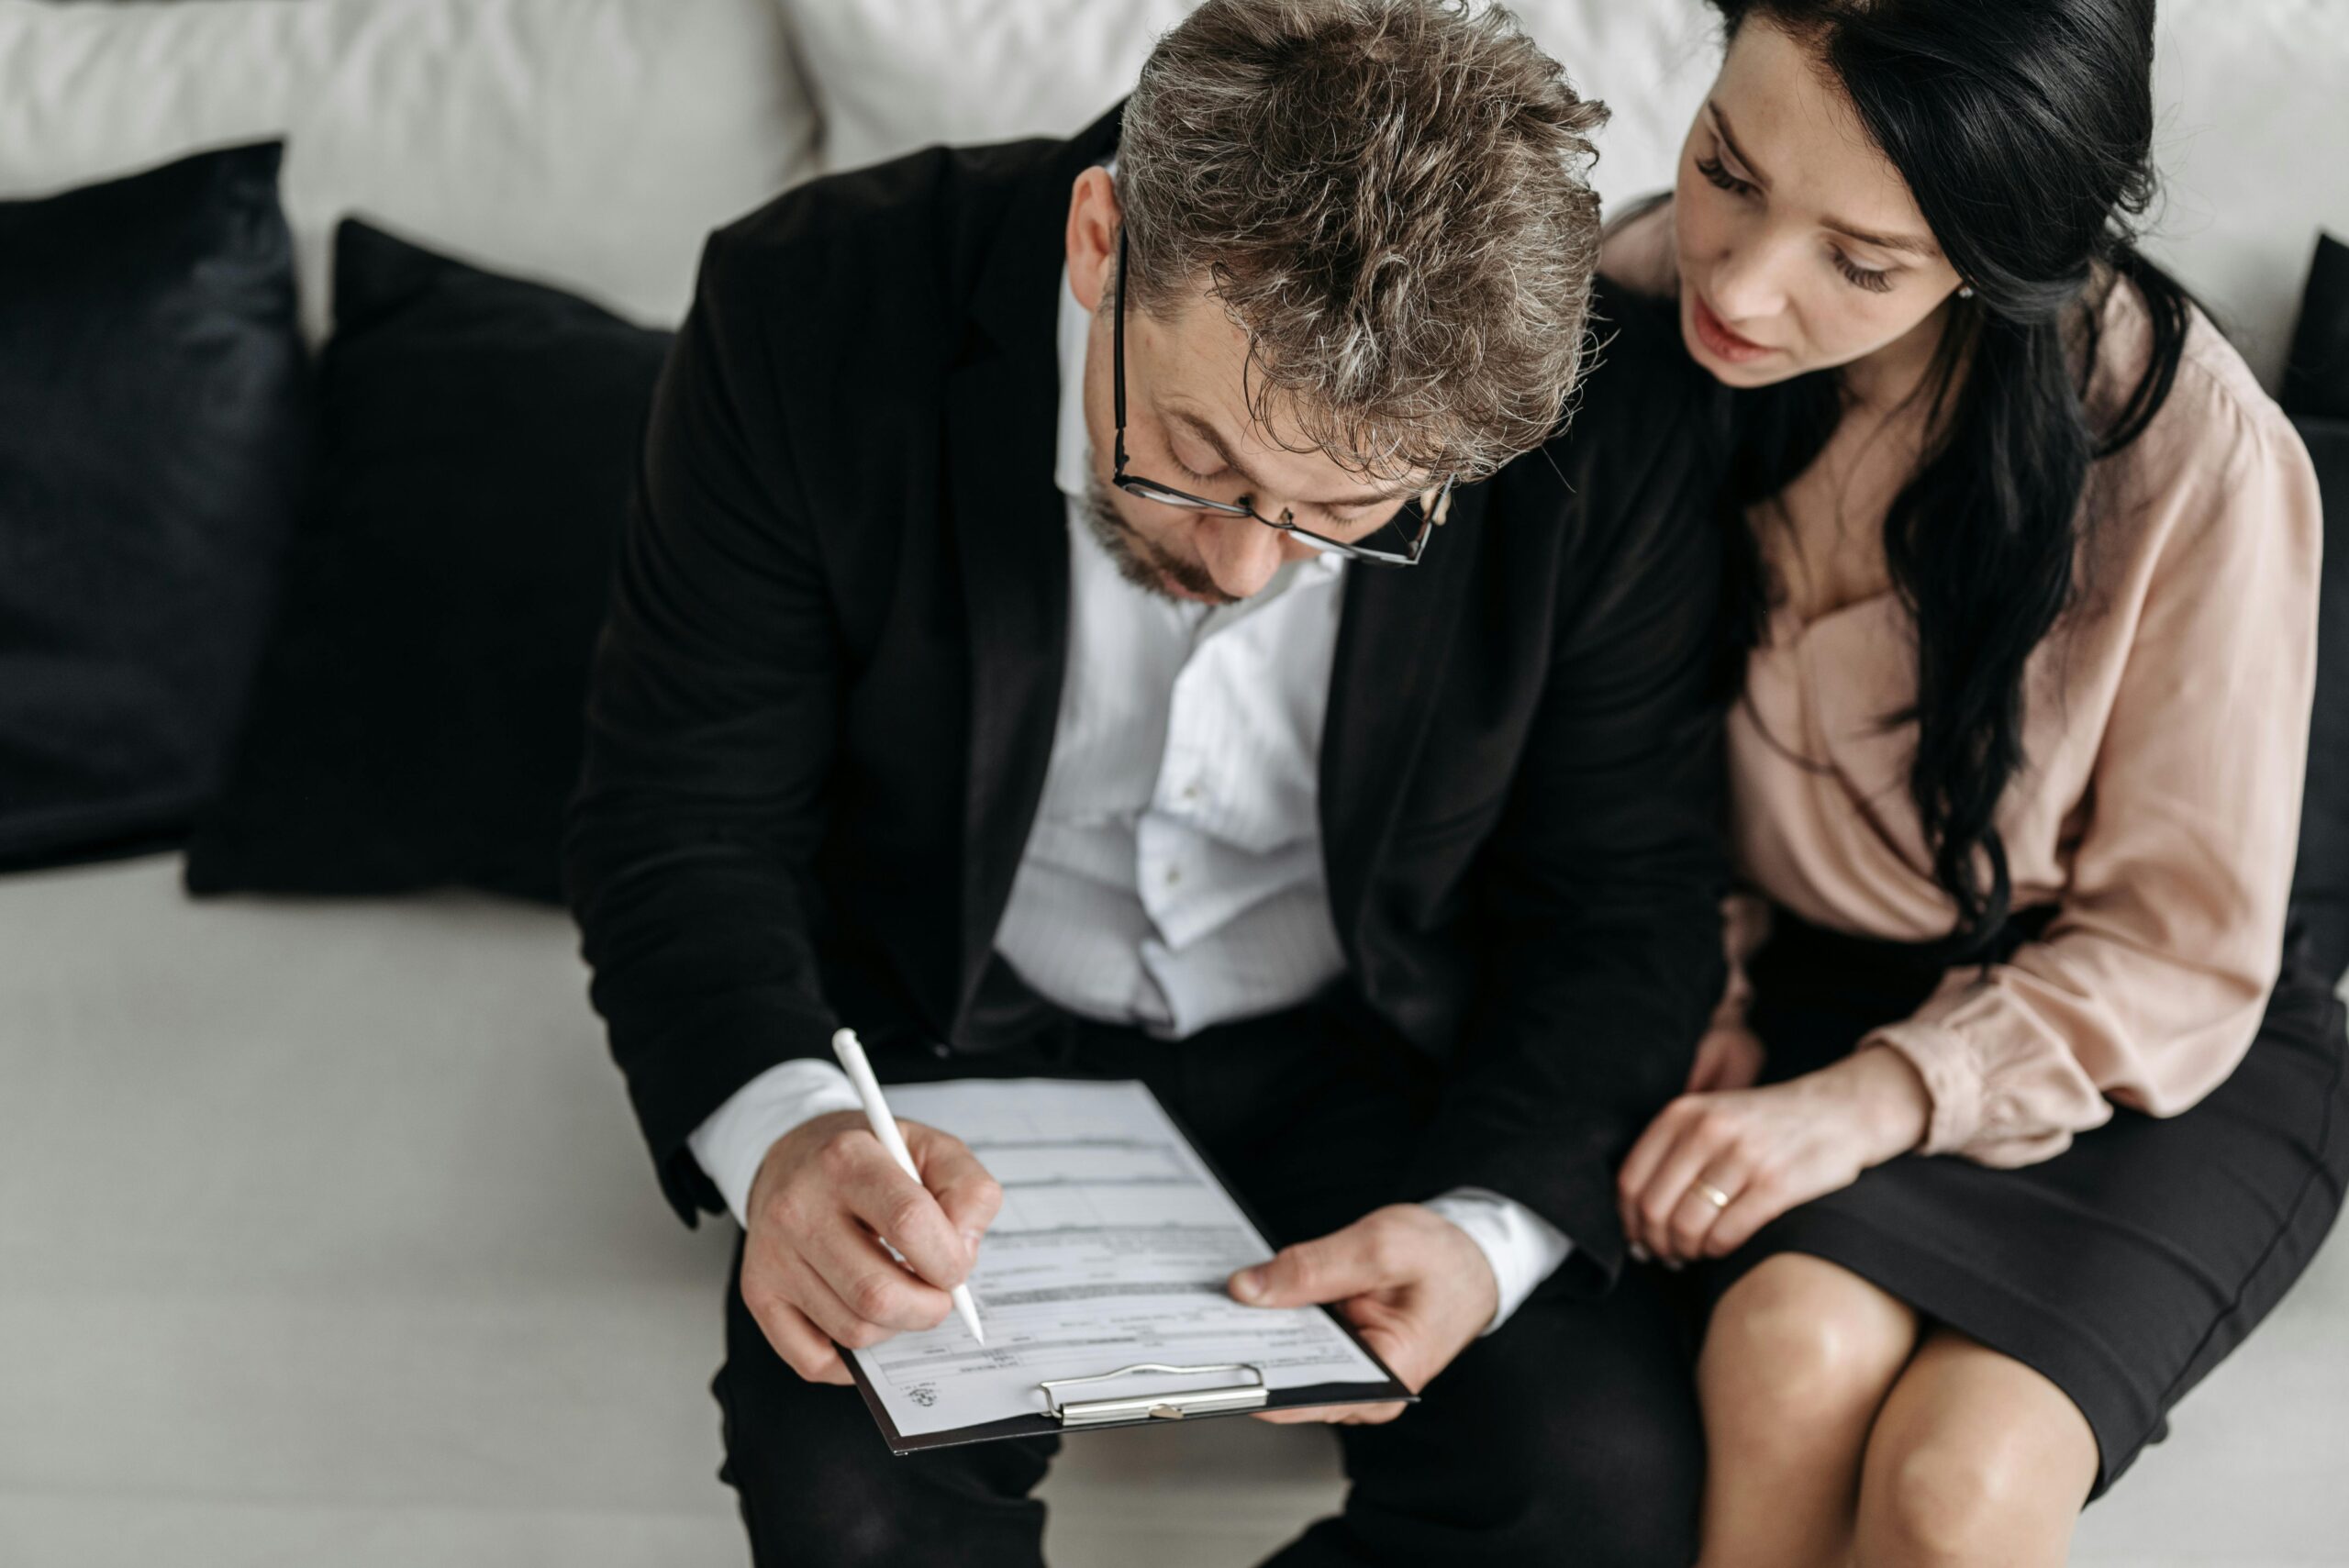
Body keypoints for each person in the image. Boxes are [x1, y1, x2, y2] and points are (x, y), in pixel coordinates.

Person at [565, 2, 1730, 1562]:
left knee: (1597, 1484)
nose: (1244, 563)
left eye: (1347, 511)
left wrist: (1481, 1230)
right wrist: (786, 1138)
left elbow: (1627, 891)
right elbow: (681, 818)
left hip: (1383, 1055)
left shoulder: (1614, 420)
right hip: (938, 1036)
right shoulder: (807, 307)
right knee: (850, 1503)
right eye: (1194, 452)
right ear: (1102, 237)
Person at [1600, 0, 2346, 1562]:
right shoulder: (1621, 310)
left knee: (1958, 1487)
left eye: (1858, 262)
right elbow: (1602, 769)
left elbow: (2179, 948)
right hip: (1814, 984)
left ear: (1998, 260)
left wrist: (1867, 1102)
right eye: (1724, 168)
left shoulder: (2186, 448)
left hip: (2147, 1035)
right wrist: (1701, 997)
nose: (1738, 281)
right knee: (1784, 1355)